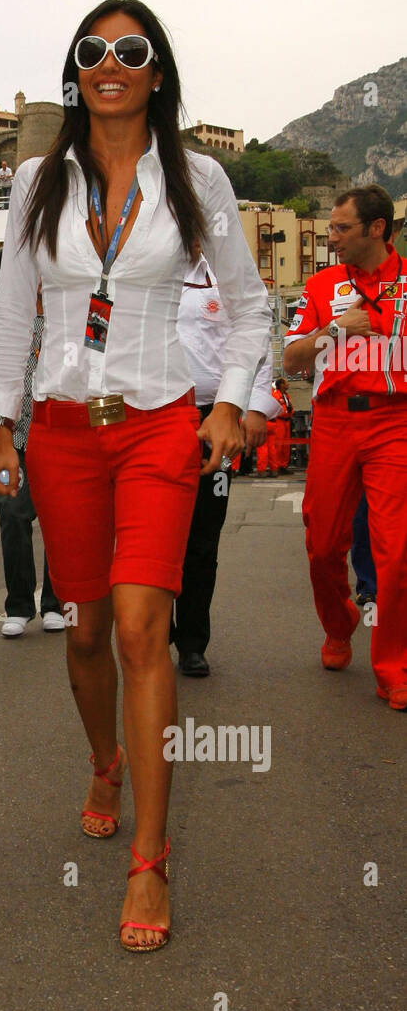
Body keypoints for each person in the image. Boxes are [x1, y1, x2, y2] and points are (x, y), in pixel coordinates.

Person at [0, 0, 269, 950]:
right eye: (93, 50)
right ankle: (104, 759)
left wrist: (228, 403)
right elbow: (14, 314)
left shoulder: (198, 179)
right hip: (62, 433)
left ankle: (150, 856)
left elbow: (250, 309)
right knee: (86, 631)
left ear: (155, 72)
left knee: (143, 625)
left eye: (130, 50)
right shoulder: (35, 181)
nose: (111, 63)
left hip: (155, 429)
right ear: (77, 70)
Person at [283, 184, 407, 710]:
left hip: (396, 422)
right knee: (322, 543)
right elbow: (291, 359)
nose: (331, 237)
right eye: (329, 228)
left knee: (396, 552)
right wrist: (335, 328)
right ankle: (339, 623)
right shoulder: (321, 285)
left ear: (377, 228)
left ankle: (394, 668)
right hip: (334, 422)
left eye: (340, 229)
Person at [172, 256, 279, 676]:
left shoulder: (227, 272)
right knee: (151, 529)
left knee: (202, 538)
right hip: (154, 415)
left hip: (213, 418)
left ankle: (193, 642)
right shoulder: (142, 260)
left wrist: (255, 407)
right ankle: (154, 625)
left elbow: (255, 343)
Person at [0, 294, 63, 637]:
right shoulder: (9, 317)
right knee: (11, 514)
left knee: (60, 520)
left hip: (58, 437)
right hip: (16, 440)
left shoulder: (69, 311)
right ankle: (19, 605)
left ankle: (55, 603)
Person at [254, 378, 293, 476]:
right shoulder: (275, 395)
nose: (288, 384)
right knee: (274, 447)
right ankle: (274, 468)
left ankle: (264, 469)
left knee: (267, 447)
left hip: (269, 422)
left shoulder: (280, 395)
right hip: (276, 422)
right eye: (286, 383)